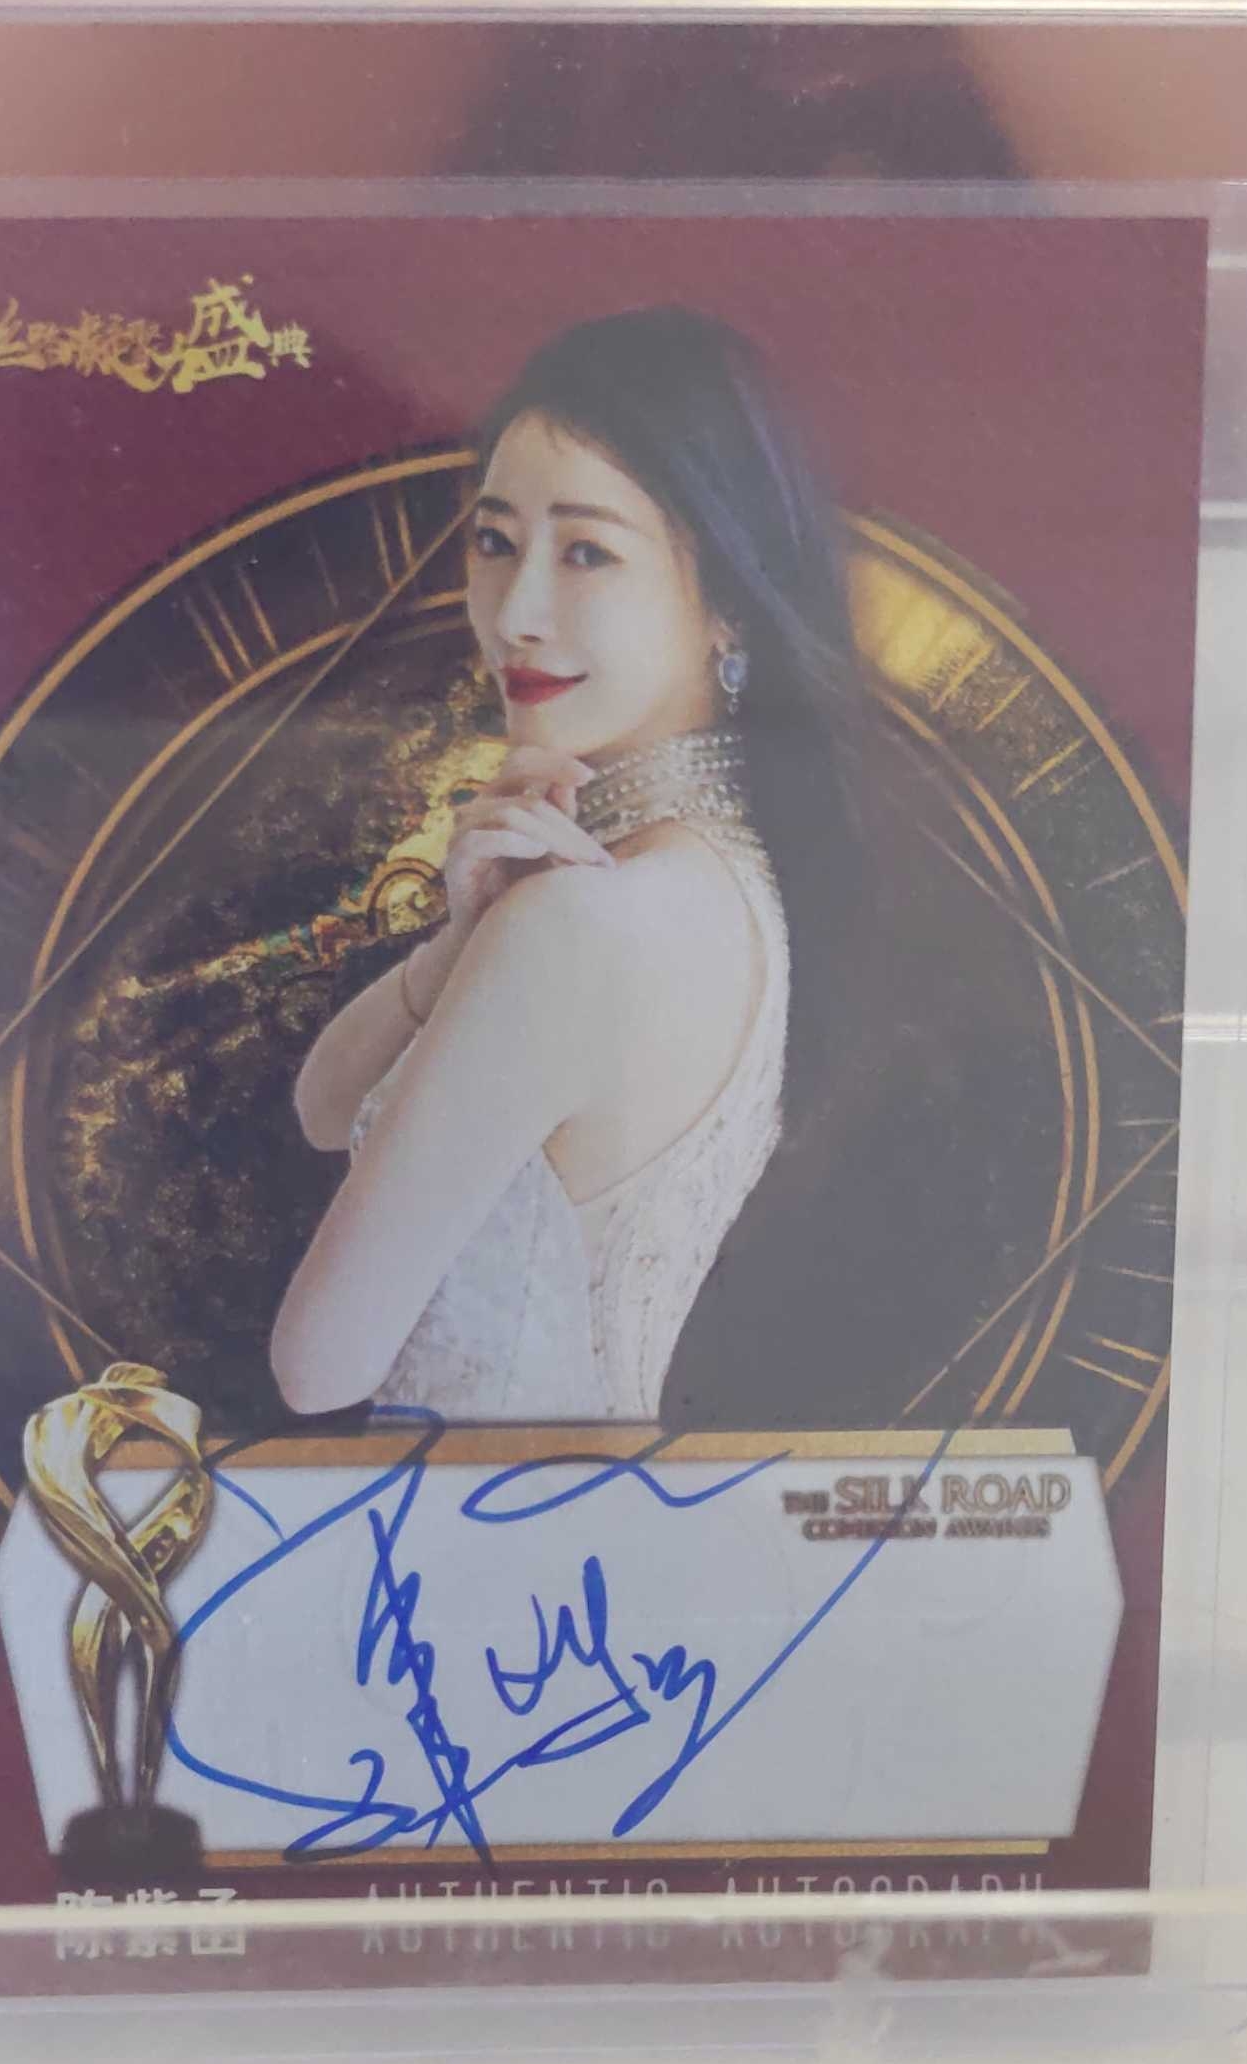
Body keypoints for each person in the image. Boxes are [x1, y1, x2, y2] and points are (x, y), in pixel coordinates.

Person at [270, 306, 866, 1422]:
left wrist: (503, 941)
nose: (516, 615)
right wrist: (459, 945)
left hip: (472, 1513)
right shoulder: (726, 887)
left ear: (730, 607)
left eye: (587, 551)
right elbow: (319, 1109)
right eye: (496, 542)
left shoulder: (581, 925)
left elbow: (317, 1366)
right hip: (576, 1506)